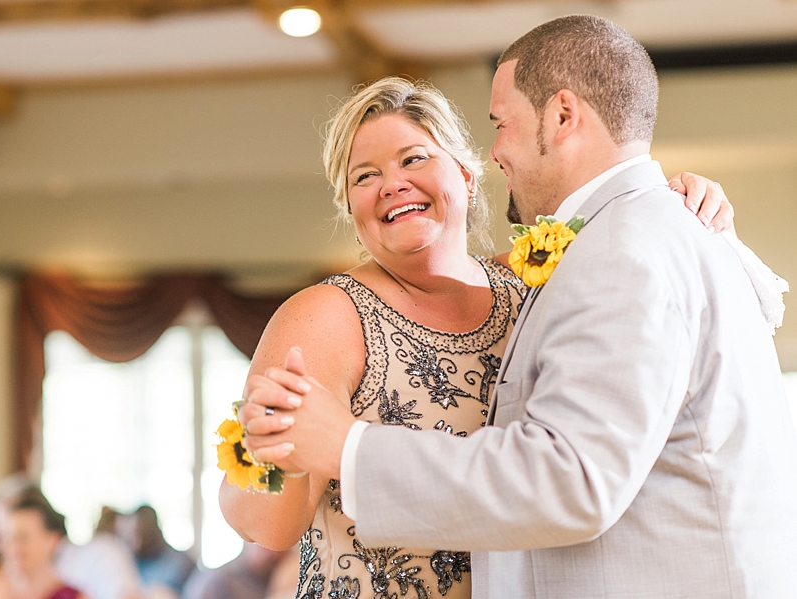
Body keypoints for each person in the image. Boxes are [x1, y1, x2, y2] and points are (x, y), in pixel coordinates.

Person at [243, 15, 797, 598]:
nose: (392, 184)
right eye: (364, 175)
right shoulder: (326, 314)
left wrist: (348, 448)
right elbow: (263, 519)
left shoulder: (562, 270)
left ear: (466, 174)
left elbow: (573, 473)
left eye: (412, 159)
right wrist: (279, 445)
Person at [0, 478, 140, 599]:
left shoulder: (101, 554)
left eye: (21, 536)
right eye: (5, 536)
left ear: (51, 538)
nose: (2, 545)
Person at [115, 506, 194, 596]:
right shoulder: (131, 561)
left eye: (137, 534)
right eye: (128, 536)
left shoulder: (180, 563)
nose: (133, 543)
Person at [190, 544, 287, 599]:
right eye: (265, 546)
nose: (274, 553)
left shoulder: (289, 576)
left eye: (285, 546)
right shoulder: (220, 582)